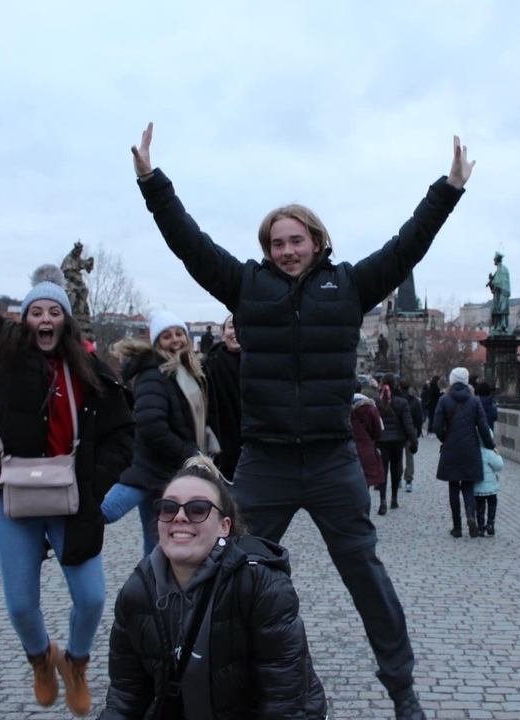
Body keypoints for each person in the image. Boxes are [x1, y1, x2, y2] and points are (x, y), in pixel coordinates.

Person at [131, 122, 475, 719]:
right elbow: (187, 242)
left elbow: (408, 245)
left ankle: (403, 691)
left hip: (329, 458)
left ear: (316, 240)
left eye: (295, 240)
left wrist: (448, 188)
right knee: (218, 567)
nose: (286, 251)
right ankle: (187, 682)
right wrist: (152, 183)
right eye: (276, 243)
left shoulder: (349, 288)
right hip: (265, 461)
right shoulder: (245, 285)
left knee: (365, 573)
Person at [0, 197, 135, 716]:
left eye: (54, 312)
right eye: (35, 311)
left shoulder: (93, 371)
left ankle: (77, 663)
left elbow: (123, 433)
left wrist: (97, 482)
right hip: (14, 494)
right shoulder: (6, 353)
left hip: (72, 498)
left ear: (65, 322)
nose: (44, 318)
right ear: (25, 321)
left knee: (90, 599)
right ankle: (41, 659)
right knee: (22, 604)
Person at [101, 456, 328, 719]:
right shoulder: (137, 591)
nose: (180, 517)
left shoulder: (260, 584)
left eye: (198, 509)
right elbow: (125, 696)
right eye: (168, 507)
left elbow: (285, 703)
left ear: (224, 527)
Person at [102, 310, 211, 558]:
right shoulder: (154, 374)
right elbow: (152, 426)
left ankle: (153, 590)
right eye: (167, 336)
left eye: (179, 333)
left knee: (157, 541)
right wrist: (190, 453)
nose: (175, 340)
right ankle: (55, 528)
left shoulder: (184, 371)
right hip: (149, 467)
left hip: (166, 471)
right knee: (106, 512)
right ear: (157, 343)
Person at [433, 367, 494, 538]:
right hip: (470, 448)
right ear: (467, 381)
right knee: (467, 485)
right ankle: (471, 517)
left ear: (452, 381)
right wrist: (491, 446)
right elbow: (483, 426)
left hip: (451, 448)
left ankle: (457, 527)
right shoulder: (474, 401)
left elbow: (437, 426)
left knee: (453, 486)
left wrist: (445, 438)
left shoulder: (444, 400)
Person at [205, 314, 242, 481]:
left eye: (241, 324)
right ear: (223, 334)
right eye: (231, 326)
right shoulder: (208, 366)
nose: (236, 330)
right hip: (223, 445)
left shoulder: (265, 365)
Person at [375, 373, 416, 515]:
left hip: (381, 441)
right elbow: (408, 424)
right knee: (395, 469)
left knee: (383, 470)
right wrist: (414, 441)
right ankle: (394, 498)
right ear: (395, 384)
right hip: (397, 441)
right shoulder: (401, 402)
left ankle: (382, 500)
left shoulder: (376, 401)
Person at [352, 380, 385, 490]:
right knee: (365, 482)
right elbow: (378, 431)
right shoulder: (370, 408)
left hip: (346, 449)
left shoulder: (341, 407)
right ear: (361, 391)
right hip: (366, 448)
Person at [474, 430, 504, 538]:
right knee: (492, 504)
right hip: (491, 487)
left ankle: (480, 527)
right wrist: (498, 455)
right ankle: (490, 524)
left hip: (478, 487)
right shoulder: (490, 452)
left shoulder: (475, 451)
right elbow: (499, 466)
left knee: (480, 507)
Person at [398, 379, 423, 493]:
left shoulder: (397, 400)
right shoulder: (415, 400)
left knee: (397, 457)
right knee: (409, 456)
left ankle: (398, 478)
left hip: (398, 431)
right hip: (411, 430)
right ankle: (408, 480)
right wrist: (417, 431)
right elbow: (419, 417)